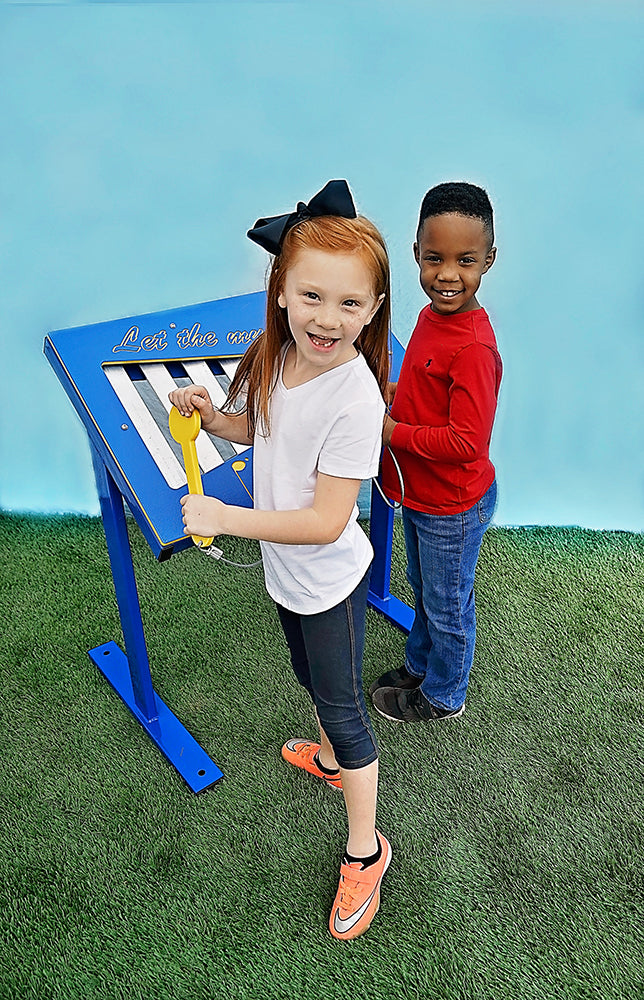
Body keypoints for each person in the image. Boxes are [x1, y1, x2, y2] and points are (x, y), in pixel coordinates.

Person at [168, 180, 392, 941]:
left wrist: (228, 517)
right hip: (286, 573)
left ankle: (367, 849)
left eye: (350, 305)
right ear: (282, 292)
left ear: (374, 307)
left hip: (327, 579)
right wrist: (211, 415)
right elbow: (254, 432)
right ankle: (329, 760)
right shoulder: (276, 355)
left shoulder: (357, 399)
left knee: (343, 708)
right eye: (312, 297)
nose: (329, 320)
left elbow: (330, 520)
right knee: (308, 679)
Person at [371, 181, 502, 724]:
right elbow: (423, 390)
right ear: (416, 255)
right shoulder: (431, 318)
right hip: (420, 495)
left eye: (465, 261)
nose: (448, 275)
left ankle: (444, 694)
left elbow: (467, 443)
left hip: (453, 505)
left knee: (448, 607)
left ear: (489, 261)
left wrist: (391, 431)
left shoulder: (473, 346)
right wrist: (394, 396)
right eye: (435, 258)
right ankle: (420, 665)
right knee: (424, 592)